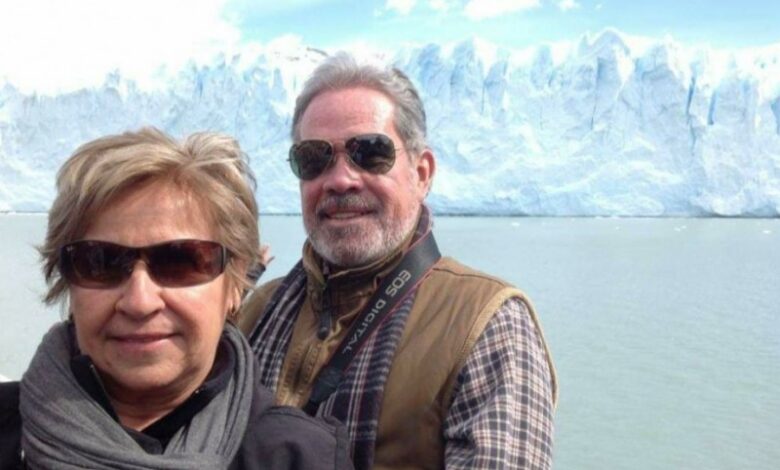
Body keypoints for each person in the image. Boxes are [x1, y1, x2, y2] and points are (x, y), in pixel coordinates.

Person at [239, 53, 558, 469]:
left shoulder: (486, 324)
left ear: (422, 173)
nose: (340, 180)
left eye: (370, 152)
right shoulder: (258, 310)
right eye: (315, 158)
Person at [0, 128, 353, 470]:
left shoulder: (301, 458)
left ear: (235, 284)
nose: (139, 302)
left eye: (180, 261)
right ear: (67, 279)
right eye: (100, 262)